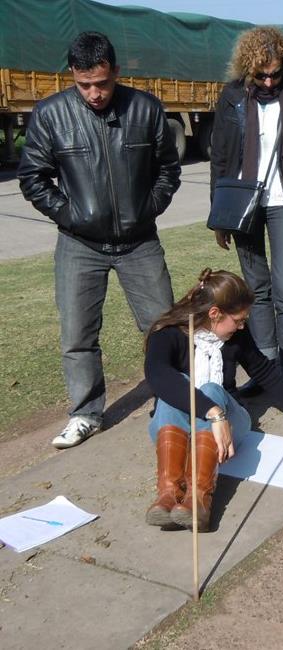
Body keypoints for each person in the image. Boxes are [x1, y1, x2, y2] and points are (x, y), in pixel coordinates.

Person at [17, 32, 180, 449]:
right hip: (79, 244)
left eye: (102, 84)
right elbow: (33, 176)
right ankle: (86, 413)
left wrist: (149, 207)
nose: (94, 94)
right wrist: (71, 214)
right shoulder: (51, 114)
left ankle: (172, 403)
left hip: (139, 242)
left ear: (116, 72)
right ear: (72, 75)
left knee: (163, 327)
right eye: (84, 84)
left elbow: (168, 169)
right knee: (77, 334)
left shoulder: (145, 108)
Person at [144, 268, 283, 532]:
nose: (241, 326)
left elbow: (264, 372)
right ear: (214, 314)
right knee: (174, 388)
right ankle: (168, 493)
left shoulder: (237, 335)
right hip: (177, 429)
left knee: (211, 388)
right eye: (238, 320)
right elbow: (158, 376)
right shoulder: (167, 334)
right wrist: (211, 411)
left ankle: (199, 500)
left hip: (229, 424)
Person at [210, 26, 283, 410]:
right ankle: (266, 374)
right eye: (260, 74)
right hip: (244, 205)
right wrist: (220, 215)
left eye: (275, 74)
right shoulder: (231, 98)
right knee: (255, 291)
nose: (268, 80)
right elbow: (221, 158)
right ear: (247, 69)